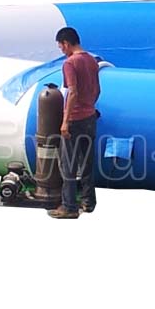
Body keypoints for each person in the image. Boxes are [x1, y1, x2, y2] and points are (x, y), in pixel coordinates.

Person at [48, 27, 101, 219]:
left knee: (68, 165)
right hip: (90, 118)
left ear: (66, 43)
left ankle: (69, 206)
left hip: (75, 120)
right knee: (86, 163)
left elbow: (72, 92)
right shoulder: (92, 61)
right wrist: (90, 107)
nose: (61, 50)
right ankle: (88, 202)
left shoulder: (70, 63)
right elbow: (97, 89)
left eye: (61, 46)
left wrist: (65, 121)